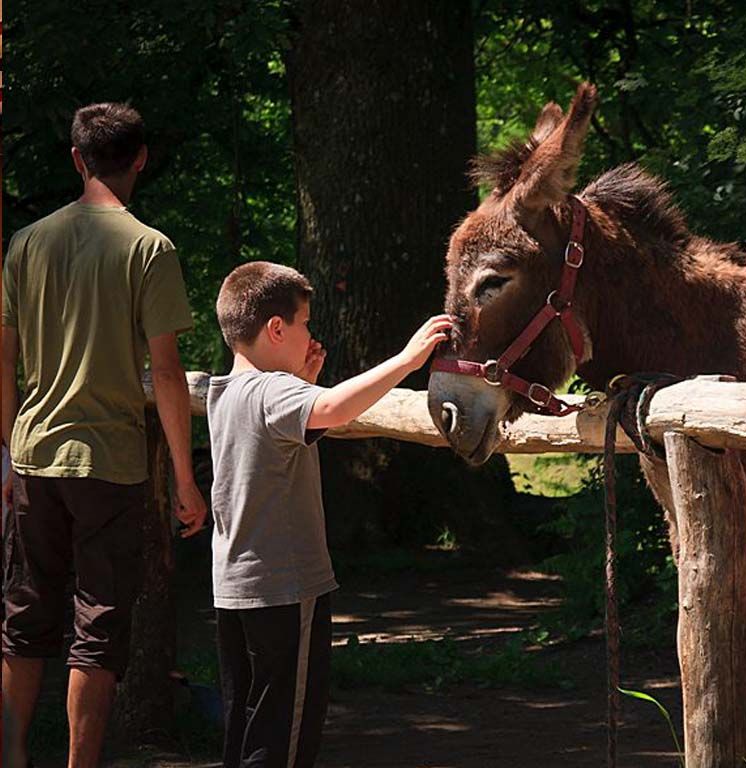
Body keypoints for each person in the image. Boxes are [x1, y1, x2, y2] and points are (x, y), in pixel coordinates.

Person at [1, 102, 207, 767]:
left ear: (77, 158)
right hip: (111, 465)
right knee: (96, 629)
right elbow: (167, 373)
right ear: (140, 159)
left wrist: (9, 450)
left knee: (25, 622)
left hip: (33, 456)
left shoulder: (27, 243)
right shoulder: (149, 248)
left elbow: (2, 357)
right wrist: (185, 481)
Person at [208, 261, 451, 768]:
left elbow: (284, 439)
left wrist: (304, 382)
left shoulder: (222, 393)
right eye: (305, 324)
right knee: (284, 739)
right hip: (285, 589)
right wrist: (407, 360)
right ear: (276, 329)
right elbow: (335, 409)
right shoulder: (273, 391)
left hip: (235, 590)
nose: (310, 334)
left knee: (247, 726)